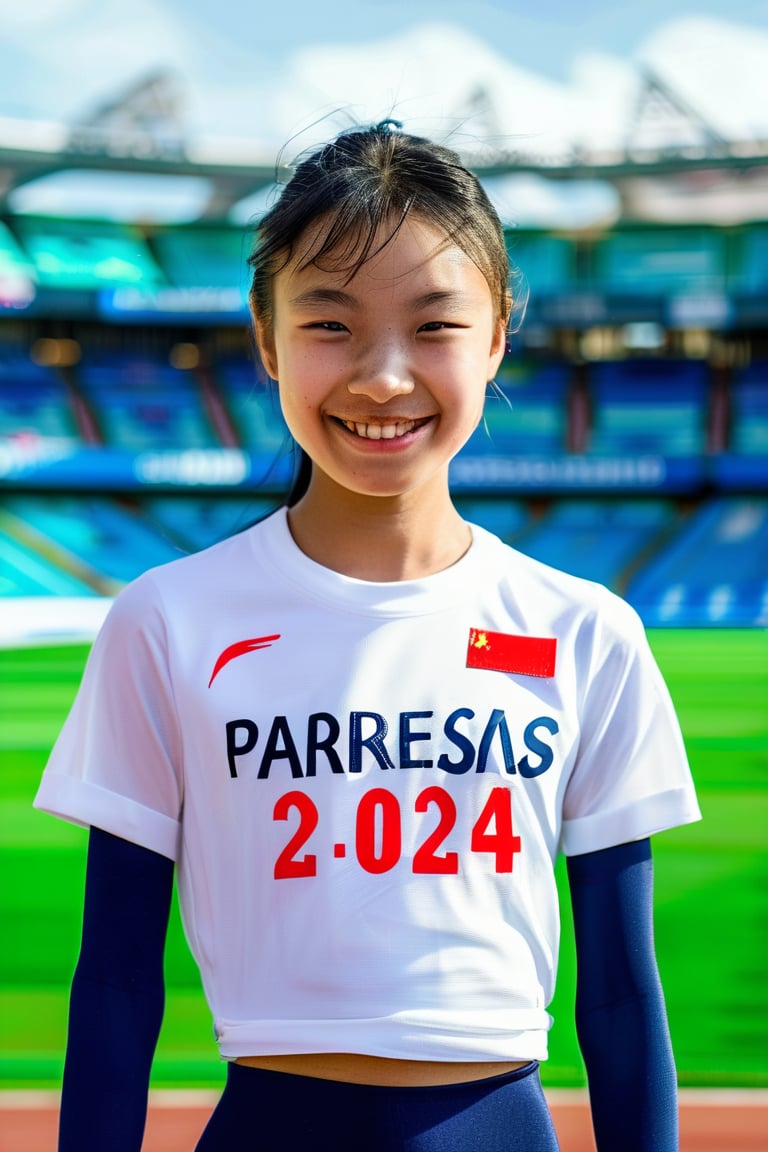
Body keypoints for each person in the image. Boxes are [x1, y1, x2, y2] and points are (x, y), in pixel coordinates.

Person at [35, 121, 701, 1152]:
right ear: (265, 337)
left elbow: (619, 998)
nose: (383, 379)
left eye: (434, 326)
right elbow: (117, 980)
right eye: (331, 325)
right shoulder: (167, 620)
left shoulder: (586, 633)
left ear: (496, 338)